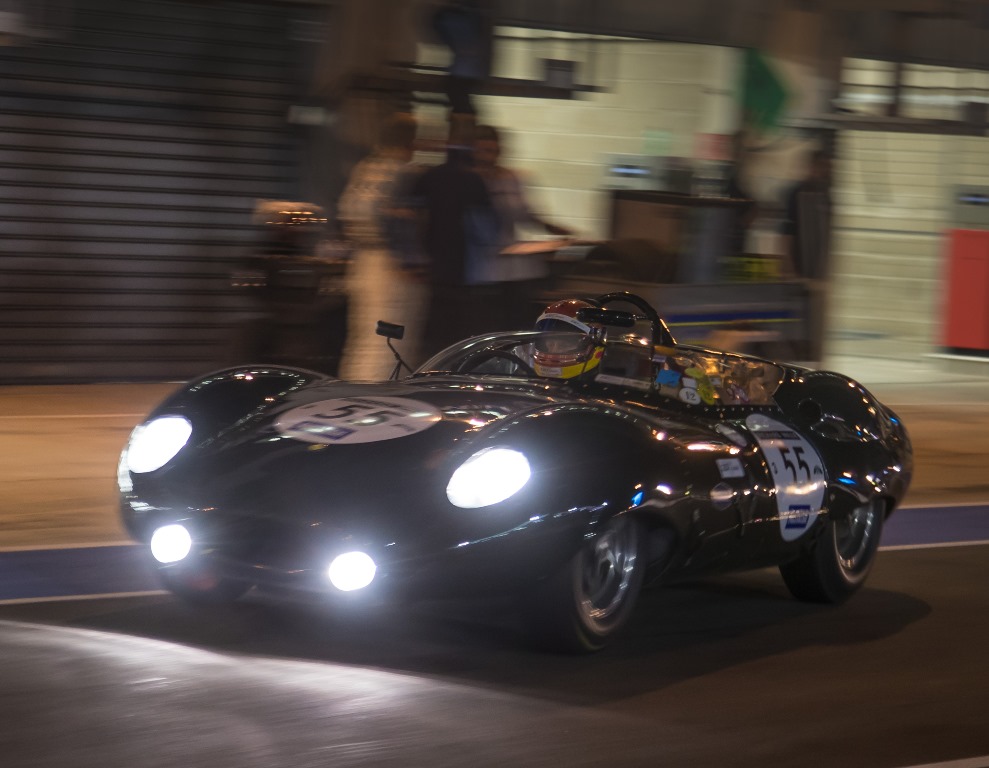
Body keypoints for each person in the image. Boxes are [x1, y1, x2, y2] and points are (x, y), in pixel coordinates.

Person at [337, 112, 426, 380]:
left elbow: (345, 215)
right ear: (410, 141)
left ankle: (351, 399)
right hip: (391, 268)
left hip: (362, 264)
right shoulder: (401, 172)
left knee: (362, 341)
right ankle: (377, 407)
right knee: (389, 344)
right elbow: (395, 218)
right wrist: (410, 263)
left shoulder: (365, 170)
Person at [410, 115, 500, 360]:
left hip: (434, 271)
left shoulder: (429, 177)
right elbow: (487, 232)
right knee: (462, 345)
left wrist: (419, 258)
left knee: (434, 344)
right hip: (466, 275)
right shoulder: (474, 181)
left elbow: (414, 219)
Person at [473, 124, 574, 330]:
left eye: (493, 151)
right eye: (484, 151)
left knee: (514, 320)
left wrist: (553, 228)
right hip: (479, 268)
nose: (489, 157)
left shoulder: (511, 178)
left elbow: (525, 215)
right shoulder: (468, 180)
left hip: (511, 268)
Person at [780, 148, 833, 363]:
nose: (822, 172)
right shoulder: (796, 193)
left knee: (815, 318)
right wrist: (789, 268)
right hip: (801, 267)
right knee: (799, 317)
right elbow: (787, 233)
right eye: (819, 167)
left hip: (818, 271)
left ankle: (811, 352)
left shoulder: (827, 195)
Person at [531, 298, 604, 380]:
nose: (554, 351)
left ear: (592, 346)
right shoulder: (526, 377)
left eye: (564, 345)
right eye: (550, 344)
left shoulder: (606, 386)